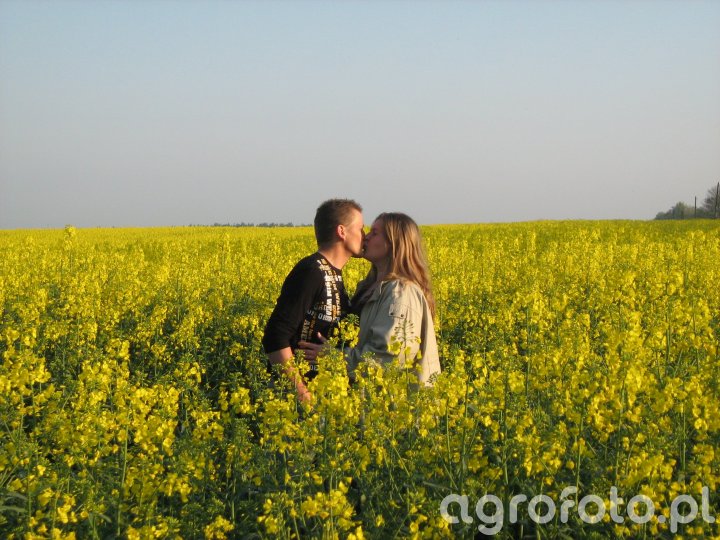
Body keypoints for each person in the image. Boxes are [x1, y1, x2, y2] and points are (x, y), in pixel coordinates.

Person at [300, 212, 441, 387]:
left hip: (391, 400)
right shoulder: (368, 287)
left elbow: (389, 358)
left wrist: (334, 357)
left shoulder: (401, 292)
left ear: (393, 243)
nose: (365, 237)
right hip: (363, 394)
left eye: (374, 233)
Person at [262, 199, 365, 403]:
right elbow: (275, 336)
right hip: (295, 402)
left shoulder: (332, 273)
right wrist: (301, 393)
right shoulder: (312, 271)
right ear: (342, 231)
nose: (365, 236)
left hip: (323, 395)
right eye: (361, 229)